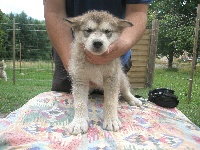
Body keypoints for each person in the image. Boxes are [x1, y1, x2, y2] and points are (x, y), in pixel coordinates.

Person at [44, 0, 152, 93]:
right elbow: (54, 11)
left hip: (115, 52)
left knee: (113, 96)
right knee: (68, 101)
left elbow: (137, 11)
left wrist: (123, 43)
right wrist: (72, 63)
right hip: (69, 48)